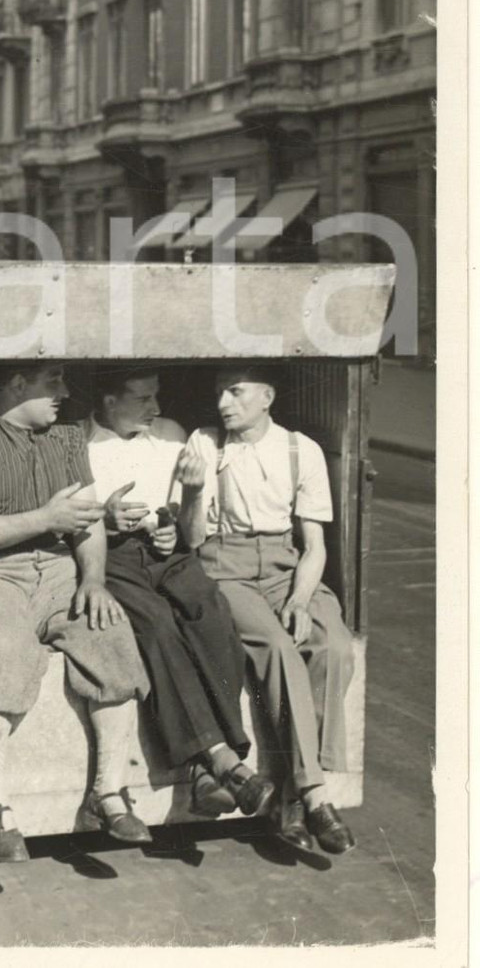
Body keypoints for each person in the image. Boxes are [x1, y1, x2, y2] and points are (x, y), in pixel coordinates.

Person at [0, 360, 152, 862]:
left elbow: (86, 522)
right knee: (1, 654)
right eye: (52, 381)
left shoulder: (67, 438)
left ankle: (109, 792)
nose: (65, 392)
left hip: (63, 569)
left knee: (112, 640)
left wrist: (93, 579)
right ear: (16, 384)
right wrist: (45, 518)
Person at [176, 365, 357, 855]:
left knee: (333, 644)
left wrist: (299, 599)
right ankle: (315, 795)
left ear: (267, 396)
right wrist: (192, 492)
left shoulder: (302, 450)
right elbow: (191, 539)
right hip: (225, 565)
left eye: (235, 392)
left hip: (285, 566)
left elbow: (314, 545)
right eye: (218, 393)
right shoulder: (205, 443)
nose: (223, 404)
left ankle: (289, 798)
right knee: (277, 646)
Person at [84, 369, 274, 820]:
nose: (155, 408)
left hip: (167, 553)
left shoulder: (171, 436)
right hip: (113, 556)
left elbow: (188, 528)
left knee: (210, 610)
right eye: (143, 398)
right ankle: (224, 761)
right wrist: (104, 518)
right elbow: (74, 519)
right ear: (110, 402)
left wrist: (183, 507)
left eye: (157, 396)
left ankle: (207, 768)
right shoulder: (78, 445)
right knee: (157, 626)